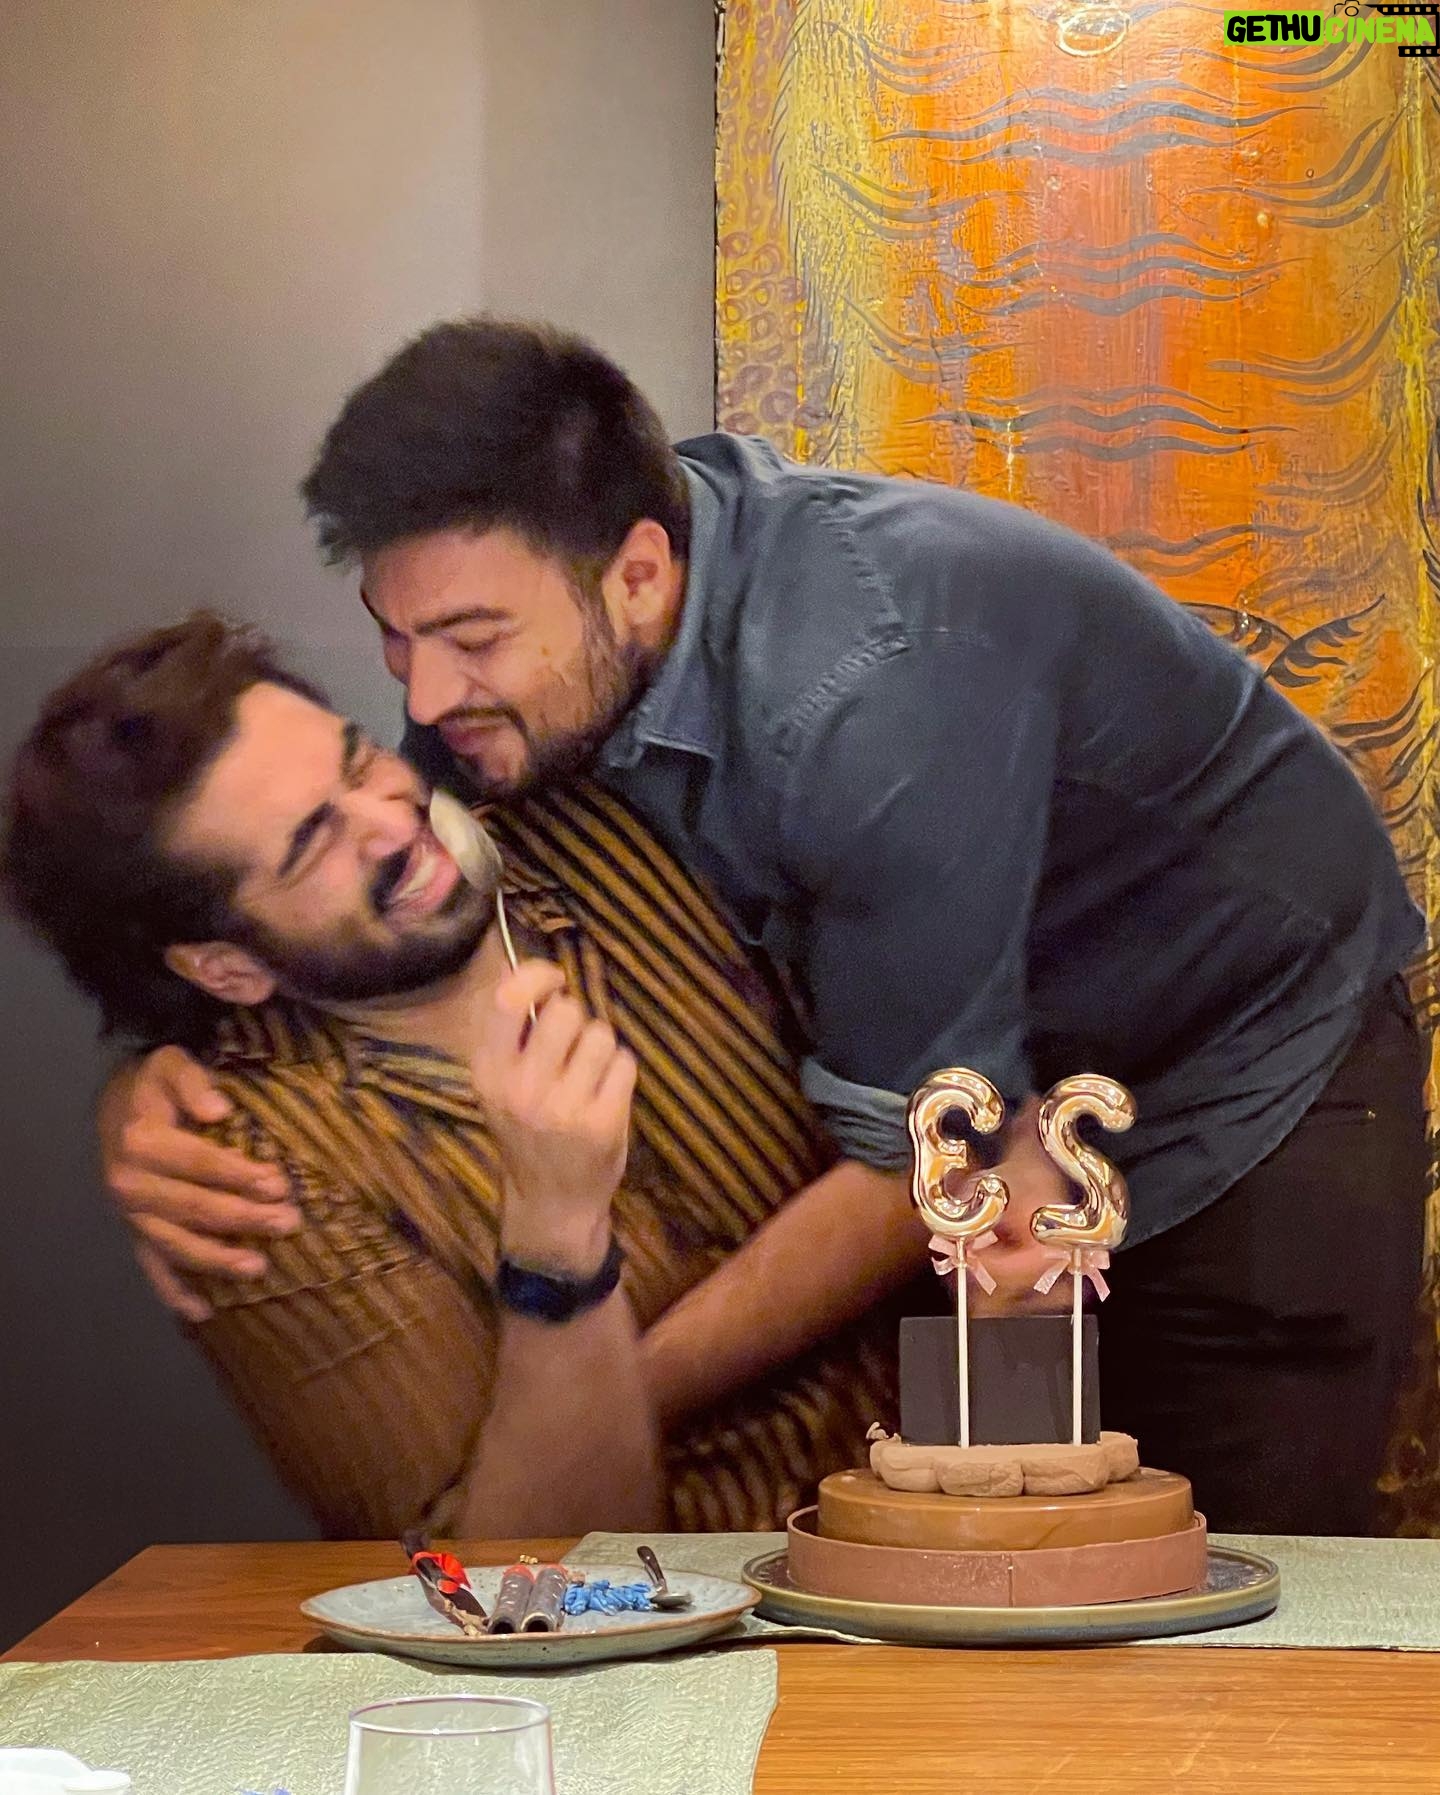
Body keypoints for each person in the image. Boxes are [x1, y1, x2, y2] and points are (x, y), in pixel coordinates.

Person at [102, 320, 1428, 1535]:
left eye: (470, 639)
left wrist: (579, 1398)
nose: (428, 699)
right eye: (395, 640)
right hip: (976, 1112)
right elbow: (331, 890)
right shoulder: (537, 632)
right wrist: (161, 1061)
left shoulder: (872, 690)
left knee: (1233, 1588)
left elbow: (918, 1157)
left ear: (639, 573)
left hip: (1240, 1069)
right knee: (1033, 1566)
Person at [2, 613, 918, 1537]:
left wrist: (646, 1380)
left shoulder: (608, 823)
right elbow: (497, 1577)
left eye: (358, 762)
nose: (393, 822)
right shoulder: (248, 1172)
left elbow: (947, 1116)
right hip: (703, 1614)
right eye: (312, 842)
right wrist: (556, 1243)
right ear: (226, 968)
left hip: (976, 1513)